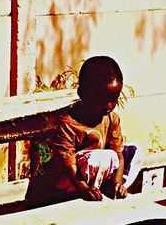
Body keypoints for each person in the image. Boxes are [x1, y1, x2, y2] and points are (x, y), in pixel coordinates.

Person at [27, 55, 142, 204]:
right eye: (101, 100)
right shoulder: (67, 123)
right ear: (82, 94)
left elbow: (118, 155)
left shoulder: (112, 119)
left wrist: (117, 183)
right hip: (65, 182)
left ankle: (107, 186)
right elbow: (68, 164)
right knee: (100, 158)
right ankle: (93, 187)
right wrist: (82, 189)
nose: (108, 106)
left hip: (93, 173)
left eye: (114, 99)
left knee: (134, 152)